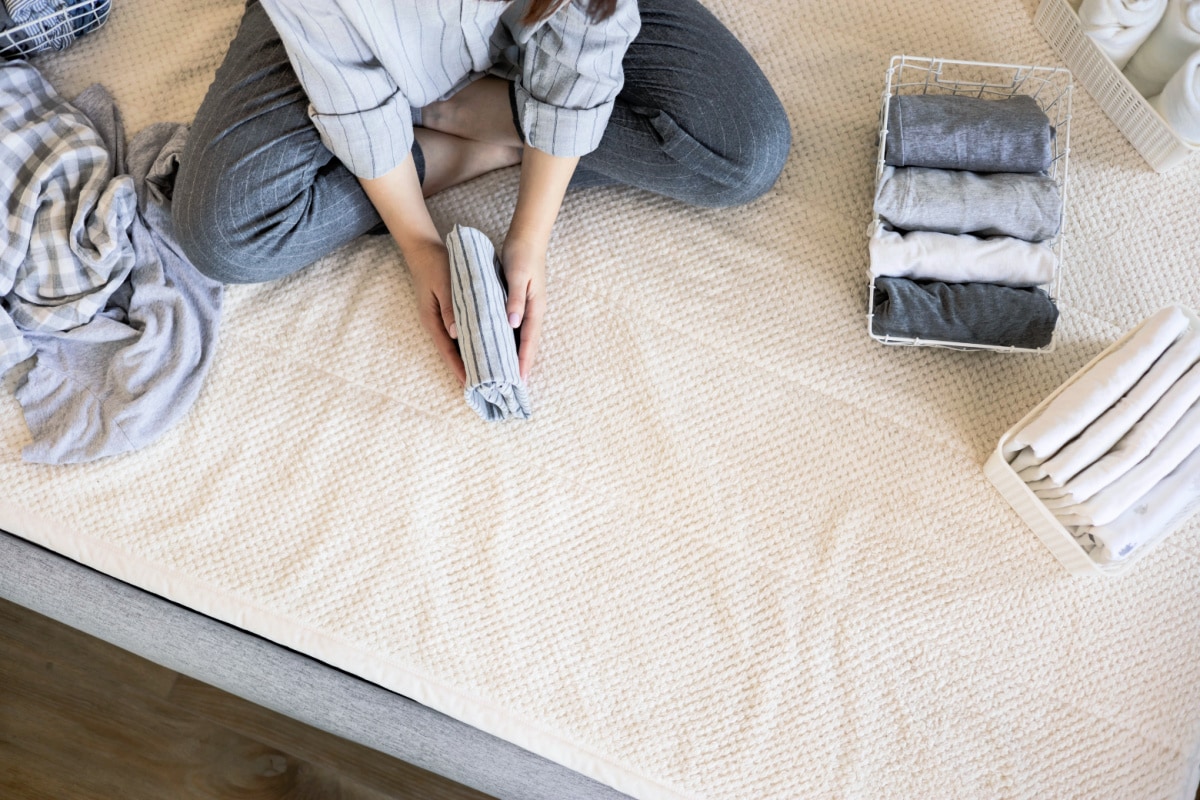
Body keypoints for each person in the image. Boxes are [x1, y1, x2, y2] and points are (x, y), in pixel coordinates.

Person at [173, 0, 790, 385]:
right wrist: (418, 246)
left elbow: (587, 42)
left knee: (742, 152)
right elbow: (348, 92)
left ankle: (493, 126)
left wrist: (530, 235)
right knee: (223, 235)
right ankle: (474, 143)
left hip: (529, 18)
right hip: (340, 28)